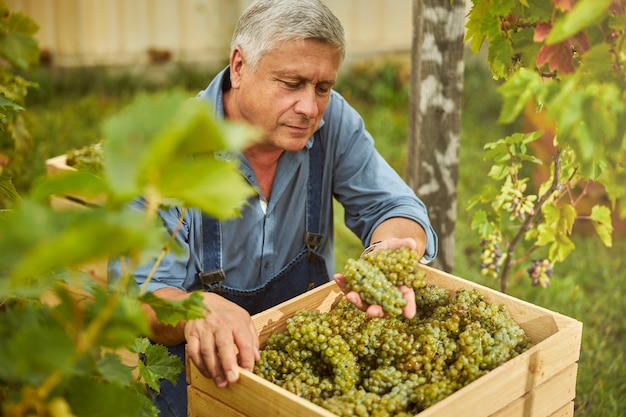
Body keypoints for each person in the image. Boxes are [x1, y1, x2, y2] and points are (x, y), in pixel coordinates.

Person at [109, 0, 437, 415]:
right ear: (239, 66)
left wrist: (395, 248)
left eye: (323, 87)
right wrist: (197, 309)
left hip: (301, 357)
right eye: (291, 83)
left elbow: (393, 205)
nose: (310, 108)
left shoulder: (333, 122)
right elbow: (138, 296)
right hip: (202, 370)